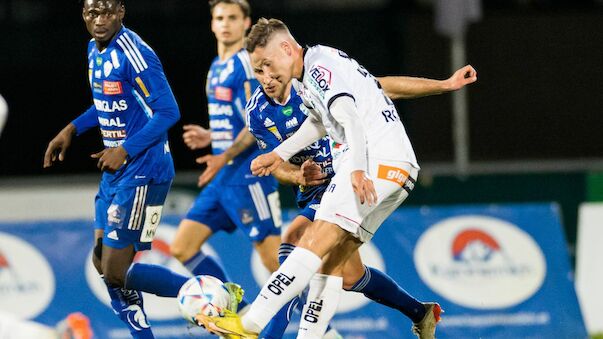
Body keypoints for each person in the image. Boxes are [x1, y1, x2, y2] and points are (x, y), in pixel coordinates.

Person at [196, 18, 477, 339]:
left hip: (372, 163)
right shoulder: (310, 73)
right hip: (398, 169)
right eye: (258, 69)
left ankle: (249, 325)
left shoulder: (318, 70)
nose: (266, 75)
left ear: (286, 49)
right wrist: (279, 155)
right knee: (332, 268)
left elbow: (347, 116)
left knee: (308, 242)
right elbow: (320, 122)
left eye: (267, 64)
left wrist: (357, 168)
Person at [43, 1, 189, 338]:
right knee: (101, 262)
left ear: (121, 12)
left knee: (115, 270)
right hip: (117, 171)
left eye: (107, 12)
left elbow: (168, 111)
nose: (99, 21)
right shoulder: (93, 50)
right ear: (82, 14)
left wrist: (124, 150)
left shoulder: (134, 53)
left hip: (145, 170)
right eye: (92, 13)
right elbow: (107, 101)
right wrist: (71, 129)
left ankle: (206, 292)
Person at [169, 0, 283, 309]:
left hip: (249, 174)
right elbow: (236, 118)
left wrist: (223, 154)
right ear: (211, 23)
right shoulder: (217, 65)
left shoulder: (246, 63)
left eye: (233, 17)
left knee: (276, 264)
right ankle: (237, 312)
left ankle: (321, 328)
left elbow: (256, 122)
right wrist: (212, 136)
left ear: (246, 23)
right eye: (220, 17)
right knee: (182, 246)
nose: (225, 23)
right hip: (222, 177)